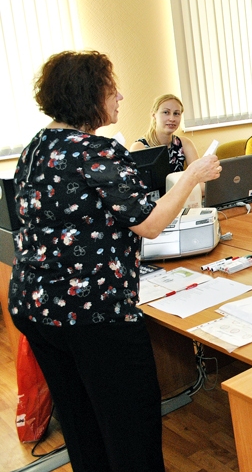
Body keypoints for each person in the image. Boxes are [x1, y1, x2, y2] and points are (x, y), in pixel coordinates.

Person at [8, 51, 222, 472]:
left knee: (81, 418)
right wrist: (193, 176)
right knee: (130, 427)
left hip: (35, 306)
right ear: (89, 97)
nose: (120, 96)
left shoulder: (35, 146)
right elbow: (150, 222)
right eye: (111, 89)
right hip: (93, 313)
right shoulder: (95, 151)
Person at [129, 94, 199, 172]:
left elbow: (199, 176)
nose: (172, 119)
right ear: (154, 115)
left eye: (176, 114)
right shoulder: (139, 147)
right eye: (166, 112)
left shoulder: (185, 143)